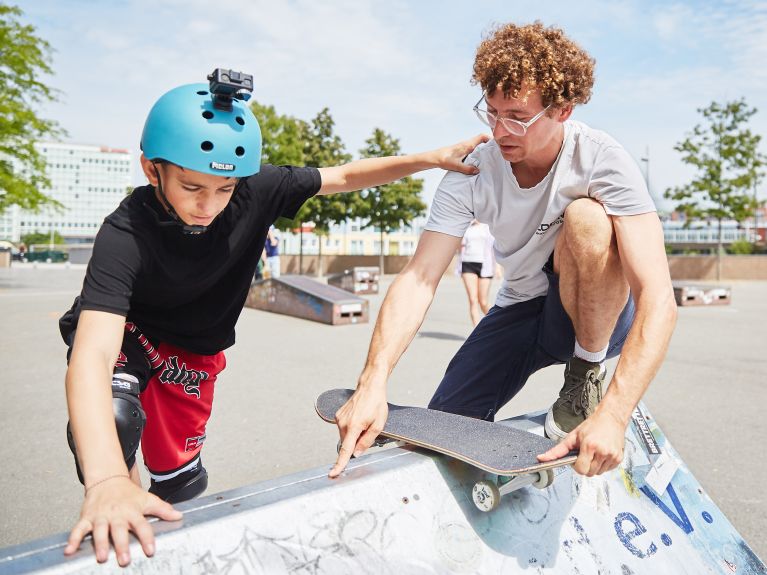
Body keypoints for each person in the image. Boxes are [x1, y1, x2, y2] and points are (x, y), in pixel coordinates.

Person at [59, 69, 487, 567]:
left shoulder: (258, 189)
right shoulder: (124, 233)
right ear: (152, 170)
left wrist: (429, 159)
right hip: (134, 334)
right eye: (192, 186)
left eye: (224, 189)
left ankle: (152, 502)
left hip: (194, 352)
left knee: (179, 484)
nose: (208, 205)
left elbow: (344, 176)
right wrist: (109, 479)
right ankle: (119, 513)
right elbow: (93, 352)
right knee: (114, 419)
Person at [331, 23, 677, 482]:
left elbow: (658, 296)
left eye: (516, 116)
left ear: (563, 110)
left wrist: (615, 412)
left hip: (599, 317)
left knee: (588, 218)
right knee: (445, 429)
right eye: (491, 112)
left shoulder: (602, 159)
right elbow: (420, 277)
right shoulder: (472, 171)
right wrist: (373, 380)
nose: (499, 130)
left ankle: (584, 376)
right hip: (522, 306)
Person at [458, 219, 495, 325]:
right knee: (473, 300)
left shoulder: (488, 226)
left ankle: (495, 326)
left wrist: (496, 268)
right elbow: (460, 246)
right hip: (467, 263)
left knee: (483, 302)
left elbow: (494, 247)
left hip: (485, 265)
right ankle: (477, 334)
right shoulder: (467, 226)